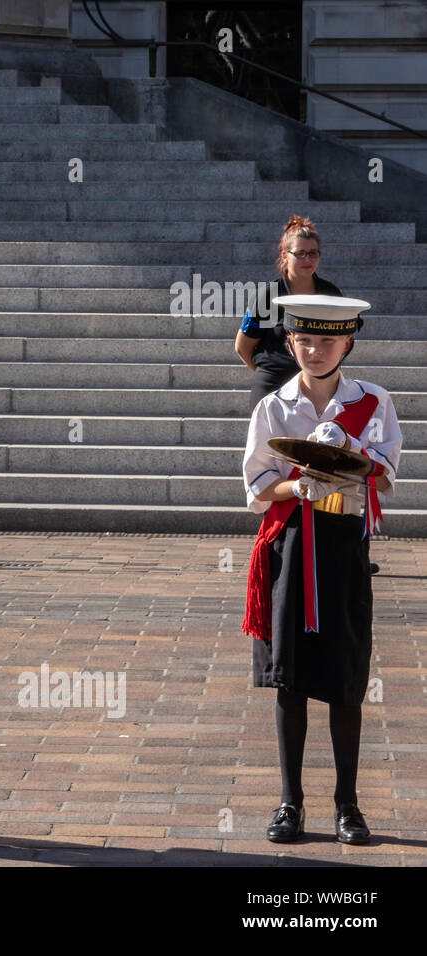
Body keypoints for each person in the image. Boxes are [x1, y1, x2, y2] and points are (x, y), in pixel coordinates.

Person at [241, 295, 400, 846]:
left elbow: (385, 477)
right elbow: (257, 488)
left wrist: (350, 448)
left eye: (328, 340)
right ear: (290, 343)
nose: (315, 349)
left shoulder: (374, 401)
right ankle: (290, 803)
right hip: (289, 548)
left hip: (344, 548)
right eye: (305, 340)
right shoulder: (273, 408)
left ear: (348, 343)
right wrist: (298, 485)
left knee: (345, 679)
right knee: (290, 679)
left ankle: (348, 805)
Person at [234, 215, 342, 411]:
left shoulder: (331, 294)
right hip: (272, 388)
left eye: (313, 253)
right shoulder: (268, 296)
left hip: (318, 390)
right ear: (285, 254)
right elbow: (242, 347)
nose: (307, 259)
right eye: (300, 253)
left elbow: (339, 342)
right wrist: (271, 372)